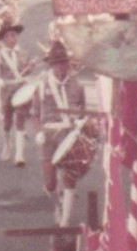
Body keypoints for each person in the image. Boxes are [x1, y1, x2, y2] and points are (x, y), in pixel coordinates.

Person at [35, 42, 101, 227]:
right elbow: (34, 114)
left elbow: (83, 111)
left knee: (70, 177)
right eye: (57, 63)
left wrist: (82, 125)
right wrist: (39, 132)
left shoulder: (77, 86)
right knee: (50, 184)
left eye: (64, 63)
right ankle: (58, 202)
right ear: (51, 65)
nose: (61, 67)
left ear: (68, 64)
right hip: (48, 136)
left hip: (69, 134)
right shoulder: (41, 85)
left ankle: (65, 223)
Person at [0, 20, 36, 166]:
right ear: (3, 39)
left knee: (21, 118)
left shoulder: (23, 53)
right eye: (8, 36)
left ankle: (19, 154)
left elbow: (27, 72)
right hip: (7, 91)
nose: (11, 39)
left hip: (21, 89)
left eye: (14, 35)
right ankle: (7, 142)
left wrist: (30, 68)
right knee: (7, 121)